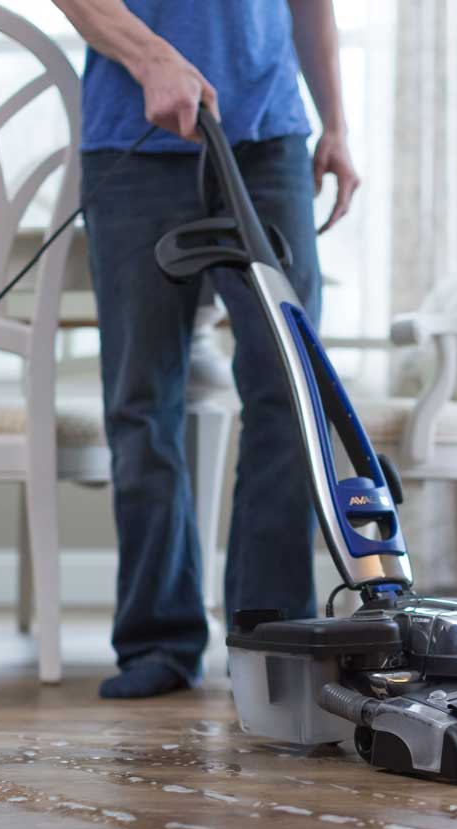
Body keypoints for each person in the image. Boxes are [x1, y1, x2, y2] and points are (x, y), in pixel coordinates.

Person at [51, 1, 359, 698]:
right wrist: (149, 55)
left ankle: (273, 636)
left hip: (268, 138)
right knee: (141, 400)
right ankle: (158, 641)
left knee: (290, 391)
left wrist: (335, 120)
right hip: (134, 138)